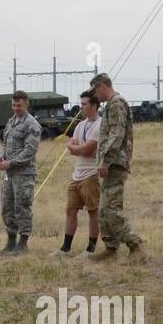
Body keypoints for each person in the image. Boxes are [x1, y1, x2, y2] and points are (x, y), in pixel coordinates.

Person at [89, 73, 144, 261]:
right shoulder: (111, 105)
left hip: (115, 163)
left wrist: (106, 160)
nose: (95, 95)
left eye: (96, 90)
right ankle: (110, 248)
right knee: (104, 209)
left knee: (111, 209)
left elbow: (116, 135)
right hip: (112, 163)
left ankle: (135, 244)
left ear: (104, 86)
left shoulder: (116, 103)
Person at [0, 89, 41, 255]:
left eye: (19, 105)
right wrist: (1, 157)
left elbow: (30, 151)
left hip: (23, 173)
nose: (16, 108)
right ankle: (10, 241)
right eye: (14, 105)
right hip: (8, 174)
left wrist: (11, 163)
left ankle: (23, 243)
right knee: (7, 206)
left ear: (26, 104)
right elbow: (5, 144)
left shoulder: (31, 125)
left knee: (21, 206)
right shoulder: (12, 121)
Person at [60, 90, 102, 255]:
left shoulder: (100, 125)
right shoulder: (80, 125)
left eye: (84, 104)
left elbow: (86, 149)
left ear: (94, 105)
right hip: (76, 175)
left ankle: (91, 249)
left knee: (93, 210)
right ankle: (66, 248)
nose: (81, 107)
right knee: (71, 210)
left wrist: (74, 148)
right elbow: (75, 148)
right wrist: (75, 148)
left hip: (91, 174)